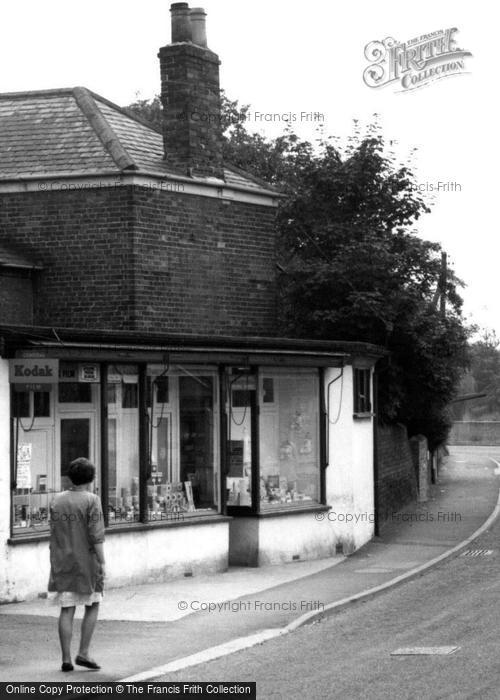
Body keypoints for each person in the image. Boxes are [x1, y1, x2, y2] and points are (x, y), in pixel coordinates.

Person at [48, 458, 105, 672]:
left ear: (70, 477)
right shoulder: (92, 500)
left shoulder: (57, 500)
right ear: (91, 478)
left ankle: (66, 659)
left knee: (66, 608)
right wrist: (103, 562)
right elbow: (96, 535)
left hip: (62, 560)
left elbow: (54, 529)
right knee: (93, 604)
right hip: (87, 563)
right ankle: (83, 652)